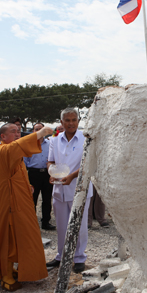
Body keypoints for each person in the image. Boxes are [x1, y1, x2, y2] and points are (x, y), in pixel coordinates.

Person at [0, 123, 52, 291]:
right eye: (13, 132)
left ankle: (13, 268)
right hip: (7, 204)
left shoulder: (15, 155)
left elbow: (20, 174)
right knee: (9, 236)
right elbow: (18, 146)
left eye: (18, 131)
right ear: (2, 137)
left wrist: (27, 186)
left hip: (18, 201)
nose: (17, 134)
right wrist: (40, 134)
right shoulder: (2, 151)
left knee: (22, 236)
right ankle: (6, 275)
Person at [45, 108, 93, 273]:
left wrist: (72, 176)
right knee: (61, 225)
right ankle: (61, 256)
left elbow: (89, 164)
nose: (71, 123)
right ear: (61, 122)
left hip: (79, 188)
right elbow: (50, 161)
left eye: (74, 120)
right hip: (59, 189)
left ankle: (79, 257)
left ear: (78, 121)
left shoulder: (86, 139)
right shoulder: (55, 140)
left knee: (79, 225)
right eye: (67, 120)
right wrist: (51, 173)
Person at [24, 123, 55, 230]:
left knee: (47, 199)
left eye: (40, 129)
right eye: (36, 129)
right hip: (34, 174)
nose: (38, 131)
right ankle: (31, 224)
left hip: (47, 174)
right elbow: (25, 162)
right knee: (32, 199)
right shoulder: (29, 144)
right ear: (33, 132)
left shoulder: (50, 143)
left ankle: (46, 222)